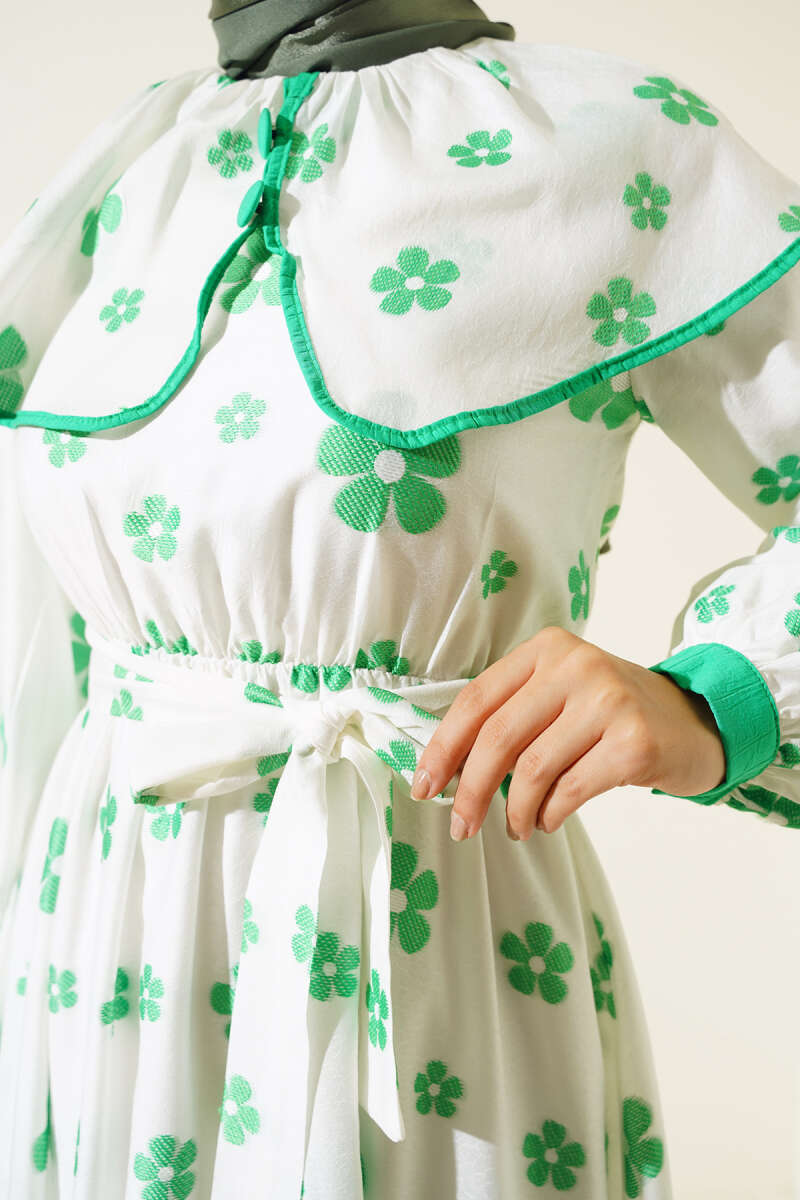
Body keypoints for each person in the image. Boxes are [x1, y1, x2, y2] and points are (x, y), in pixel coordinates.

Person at [0, 0, 798, 1195]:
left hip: (429, 935)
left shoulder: (615, 142)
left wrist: (719, 694)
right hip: (110, 951)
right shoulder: (131, 163)